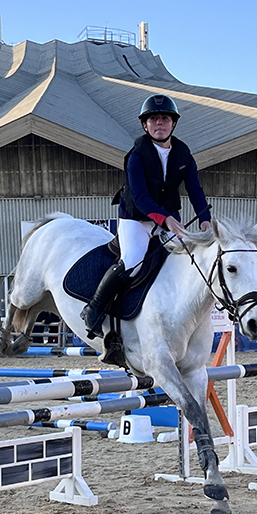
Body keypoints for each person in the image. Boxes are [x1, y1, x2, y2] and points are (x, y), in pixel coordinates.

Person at [80, 94, 212, 364]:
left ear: (173, 124)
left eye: (165, 119)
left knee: (186, 260)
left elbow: (195, 190)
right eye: (154, 119)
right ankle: (94, 311)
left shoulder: (183, 153)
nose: (159, 123)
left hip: (167, 217)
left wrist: (205, 218)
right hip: (136, 218)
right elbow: (140, 198)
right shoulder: (137, 155)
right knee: (132, 263)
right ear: (145, 125)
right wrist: (165, 220)